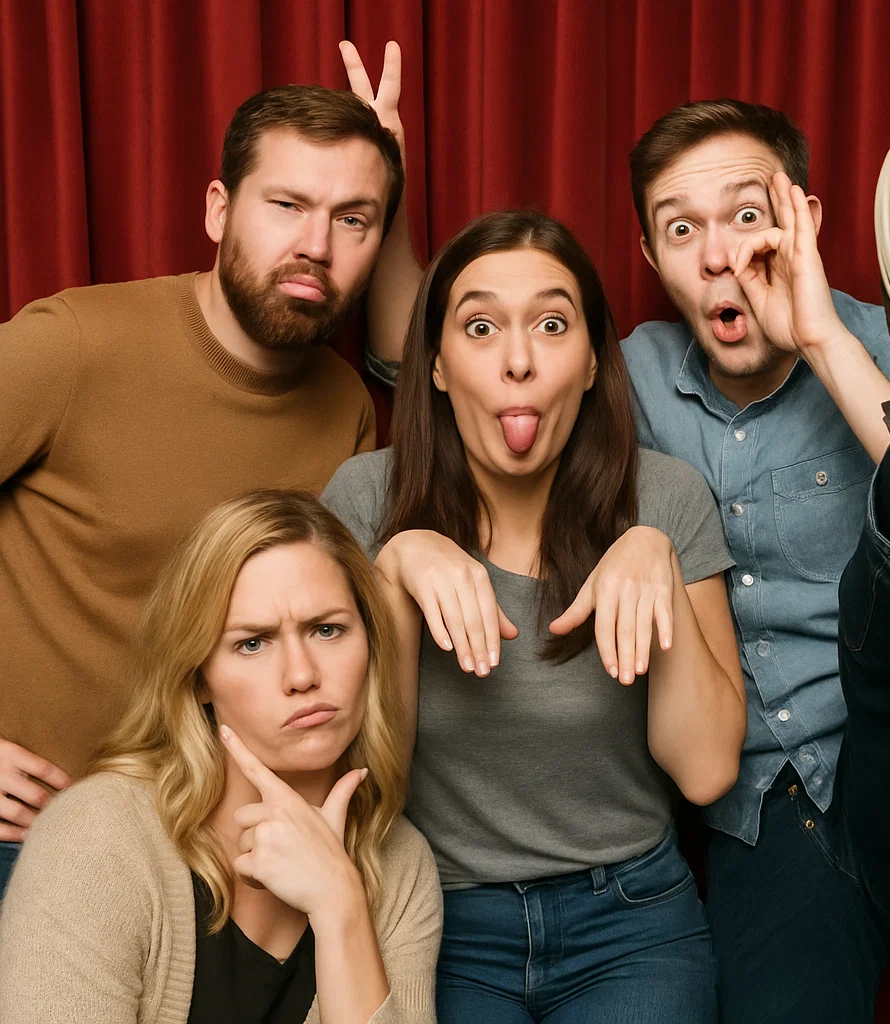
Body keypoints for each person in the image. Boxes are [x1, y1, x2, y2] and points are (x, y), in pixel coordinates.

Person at [620, 105, 890, 1020]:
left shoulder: (887, 347)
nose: (720, 256)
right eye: (683, 229)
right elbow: (478, 390)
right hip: (775, 809)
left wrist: (819, 339)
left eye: (748, 216)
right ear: (650, 258)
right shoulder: (631, 378)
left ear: (805, 220)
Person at [0, 43, 407, 892]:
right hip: (29, 846)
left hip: (218, 860)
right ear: (219, 209)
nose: (316, 245)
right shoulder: (72, 346)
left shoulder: (346, 407)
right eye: (287, 205)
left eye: (353, 219)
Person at [323, 209, 746, 1024]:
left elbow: (704, 773)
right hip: (438, 915)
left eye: (552, 325)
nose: (518, 362)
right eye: (480, 327)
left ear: (591, 362)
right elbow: (366, 787)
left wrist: (655, 557)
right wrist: (397, 571)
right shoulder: (364, 499)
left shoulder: (665, 497)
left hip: (631, 920)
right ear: (437, 364)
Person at [0, 490, 442, 1023]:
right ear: (198, 676)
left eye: (327, 630)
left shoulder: (397, 863)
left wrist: (341, 907)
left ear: (370, 646)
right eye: (253, 643)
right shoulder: (98, 838)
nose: (302, 676)